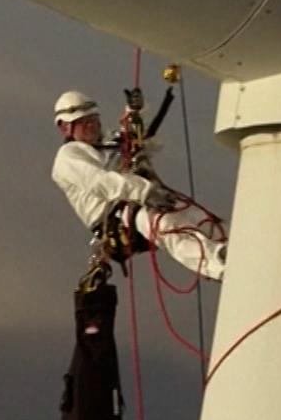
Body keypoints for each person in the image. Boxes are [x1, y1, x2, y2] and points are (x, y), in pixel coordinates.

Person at [51, 90, 227, 280]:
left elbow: (144, 141)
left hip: (145, 198)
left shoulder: (110, 142)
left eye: (94, 119)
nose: (92, 125)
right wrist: (145, 192)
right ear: (65, 128)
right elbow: (101, 182)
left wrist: (137, 111)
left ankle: (236, 244)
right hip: (115, 218)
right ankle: (219, 266)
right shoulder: (68, 157)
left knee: (195, 216)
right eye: (85, 122)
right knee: (163, 224)